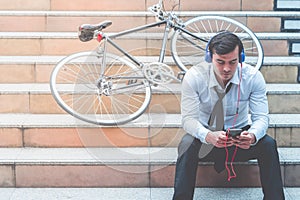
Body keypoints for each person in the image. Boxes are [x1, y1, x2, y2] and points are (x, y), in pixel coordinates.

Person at [172, 31, 285, 200]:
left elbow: (261, 118)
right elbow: (188, 120)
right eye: (220, 62)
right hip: (207, 139)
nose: (226, 68)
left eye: (233, 62)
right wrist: (208, 136)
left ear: (241, 58)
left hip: (240, 138)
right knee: (187, 144)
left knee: (268, 144)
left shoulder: (253, 77)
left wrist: (252, 136)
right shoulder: (194, 77)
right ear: (210, 58)